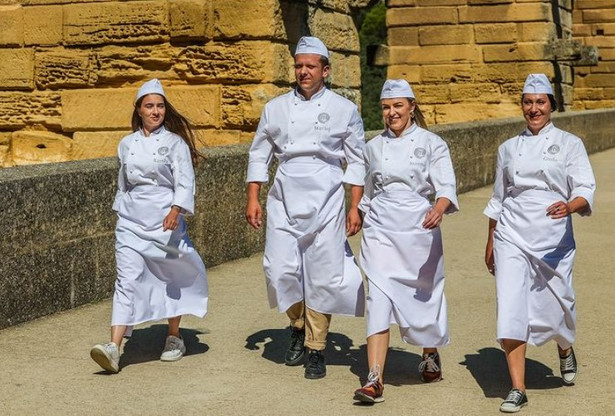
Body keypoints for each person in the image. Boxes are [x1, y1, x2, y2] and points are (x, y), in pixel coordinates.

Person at [245, 36, 366, 380]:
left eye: (310, 66)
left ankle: (316, 347)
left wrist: (354, 206)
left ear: (325, 71)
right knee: (279, 269)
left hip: (326, 194)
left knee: (322, 274)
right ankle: (297, 323)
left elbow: (357, 161)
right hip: (284, 193)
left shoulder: (345, 109)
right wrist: (253, 196)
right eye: (299, 65)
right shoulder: (276, 108)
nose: (303, 71)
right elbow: (259, 153)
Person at [483, 73, 596, 413]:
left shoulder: (570, 144)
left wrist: (570, 205)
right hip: (511, 232)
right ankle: (518, 387)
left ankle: (563, 346)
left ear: (551, 106)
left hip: (552, 235)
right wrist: (490, 240)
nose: (534, 109)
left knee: (556, 305)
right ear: (522, 106)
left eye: (540, 103)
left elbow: (585, 188)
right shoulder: (507, 149)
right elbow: (498, 198)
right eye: (528, 103)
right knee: (511, 304)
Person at [90, 79, 209, 373]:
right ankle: (114, 348)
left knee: (172, 276)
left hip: (165, 222)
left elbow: (185, 180)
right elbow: (123, 184)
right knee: (126, 279)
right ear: (139, 110)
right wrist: (121, 212)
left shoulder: (174, 143)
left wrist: (176, 209)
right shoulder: (126, 144)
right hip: (130, 221)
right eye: (149, 106)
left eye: (160, 106)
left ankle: (173, 337)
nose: (155, 111)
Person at [352, 79, 459, 404]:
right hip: (381, 230)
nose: (391, 112)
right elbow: (368, 191)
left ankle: (429, 353)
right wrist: (356, 212)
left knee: (423, 295)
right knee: (378, 298)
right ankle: (374, 378)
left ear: (411, 107)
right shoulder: (373, 147)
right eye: (386, 107)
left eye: (398, 106)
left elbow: (445, 186)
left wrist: (439, 209)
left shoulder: (432, 143)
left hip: (418, 228)